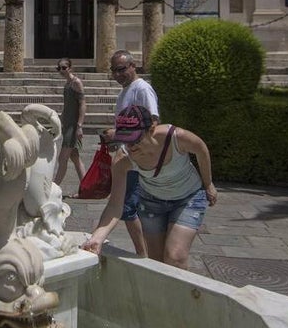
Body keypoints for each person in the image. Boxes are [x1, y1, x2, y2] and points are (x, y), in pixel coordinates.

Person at [82, 105, 218, 269]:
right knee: (157, 262)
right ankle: (161, 294)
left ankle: (178, 294)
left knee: (175, 257)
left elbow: (201, 149)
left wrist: (208, 183)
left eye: (136, 140)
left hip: (188, 197)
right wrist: (98, 237)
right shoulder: (123, 159)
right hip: (152, 201)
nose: (131, 147)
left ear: (151, 129)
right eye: (125, 141)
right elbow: (115, 205)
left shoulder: (175, 137)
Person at [103, 49, 160, 255]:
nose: (117, 74)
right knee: (127, 207)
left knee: (127, 207)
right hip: (126, 157)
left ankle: (143, 255)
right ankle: (143, 253)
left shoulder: (142, 89)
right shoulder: (125, 91)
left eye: (121, 69)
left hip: (137, 159)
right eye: (114, 71)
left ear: (133, 66)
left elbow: (153, 123)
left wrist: (117, 133)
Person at [53, 58, 86, 189]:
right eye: (59, 68)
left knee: (62, 158)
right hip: (67, 125)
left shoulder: (76, 82)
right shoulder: (67, 84)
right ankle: (86, 188)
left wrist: (79, 126)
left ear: (70, 68)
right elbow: (67, 106)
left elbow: (83, 104)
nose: (61, 71)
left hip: (73, 127)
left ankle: (54, 187)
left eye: (64, 68)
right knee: (75, 158)